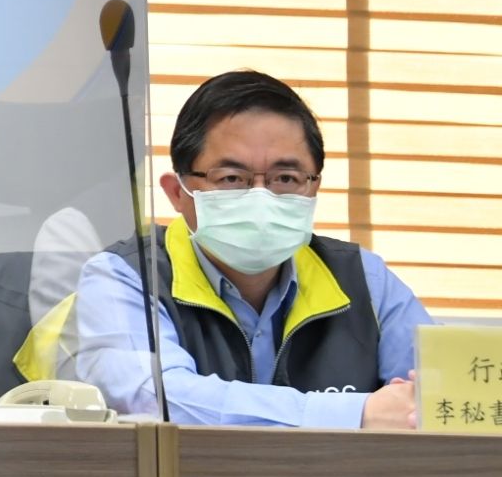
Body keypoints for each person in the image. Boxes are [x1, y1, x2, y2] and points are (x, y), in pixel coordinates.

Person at [76, 70, 430, 428]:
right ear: (178, 193)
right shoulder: (127, 276)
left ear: (314, 188)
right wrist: (357, 413)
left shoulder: (366, 280)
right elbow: (159, 399)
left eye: (285, 178)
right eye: (231, 178)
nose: (261, 198)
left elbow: (440, 394)